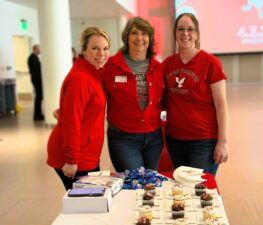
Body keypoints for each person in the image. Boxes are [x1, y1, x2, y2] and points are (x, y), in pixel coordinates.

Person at [163, 13, 229, 176]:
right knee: (182, 191)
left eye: (190, 29)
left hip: (204, 141)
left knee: (199, 188)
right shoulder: (167, 64)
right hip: (175, 140)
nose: (185, 33)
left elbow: (221, 105)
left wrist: (223, 141)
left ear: (196, 33)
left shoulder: (211, 63)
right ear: (175, 33)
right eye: (181, 29)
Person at [47, 27, 110, 190]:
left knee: (88, 204)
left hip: (85, 152)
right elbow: (72, 122)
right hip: (76, 156)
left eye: (105, 48)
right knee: (86, 205)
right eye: (95, 48)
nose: (101, 53)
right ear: (84, 50)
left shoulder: (93, 73)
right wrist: (71, 159)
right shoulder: (81, 79)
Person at [102, 17, 165, 172]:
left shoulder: (159, 68)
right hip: (123, 138)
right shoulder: (111, 66)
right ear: (126, 37)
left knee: (150, 185)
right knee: (135, 184)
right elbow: (95, 94)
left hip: (153, 137)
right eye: (134, 33)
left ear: (150, 38)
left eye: (144, 33)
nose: (139, 38)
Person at [27, 44, 44, 121]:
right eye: (39, 49)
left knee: (39, 97)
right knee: (38, 97)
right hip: (37, 80)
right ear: (35, 49)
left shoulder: (34, 57)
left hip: (37, 80)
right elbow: (35, 71)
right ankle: (37, 115)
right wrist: (40, 80)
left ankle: (38, 114)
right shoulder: (32, 58)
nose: (40, 50)